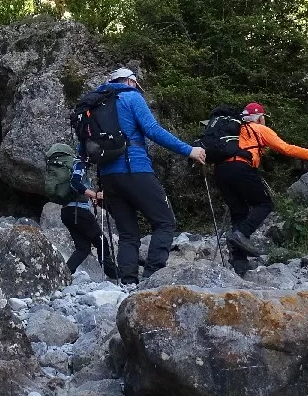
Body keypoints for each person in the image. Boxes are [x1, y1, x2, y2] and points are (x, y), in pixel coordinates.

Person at [89, 67, 207, 285]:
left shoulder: (95, 105)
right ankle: (153, 277)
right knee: (165, 222)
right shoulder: (131, 97)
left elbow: (84, 147)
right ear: (131, 82)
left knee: (128, 233)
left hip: (108, 177)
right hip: (135, 169)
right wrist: (189, 150)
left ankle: (128, 282)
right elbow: (153, 130)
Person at [214, 102, 308, 275]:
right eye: (263, 117)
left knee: (239, 212)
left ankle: (240, 264)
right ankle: (241, 234)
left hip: (220, 170)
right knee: (264, 204)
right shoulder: (259, 129)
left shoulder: (232, 130)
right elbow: (285, 148)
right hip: (241, 168)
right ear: (259, 117)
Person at [56, 145, 119, 280]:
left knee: (83, 248)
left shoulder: (73, 165)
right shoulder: (80, 164)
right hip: (78, 212)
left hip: (67, 212)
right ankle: (115, 276)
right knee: (101, 242)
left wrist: (91, 197)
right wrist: (94, 194)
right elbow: (75, 183)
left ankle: (63, 277)